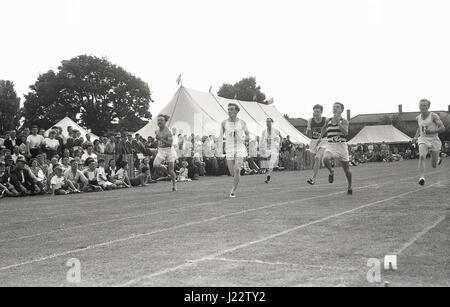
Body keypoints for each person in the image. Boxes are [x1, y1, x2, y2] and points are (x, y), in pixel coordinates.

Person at [320, 102, 353, 195]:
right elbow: (323, 129)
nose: (335, 108)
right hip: (331, 145)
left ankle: (350, 186)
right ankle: (331, 171)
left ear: (341, 110)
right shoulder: (328, 120)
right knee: (325, 159)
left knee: (346, 170)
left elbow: (345, 133)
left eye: (337, 107)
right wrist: (320, 137)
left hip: (341, 146)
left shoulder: (344, 121)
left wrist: (339, 123)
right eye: (333, 107)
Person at [218, 103, 250, 198]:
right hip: (229, 148)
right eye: (228, 109)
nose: (229, 111)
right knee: (232, 172)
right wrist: (220, 150)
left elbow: (248, 135)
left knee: (236, 169)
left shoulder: (242, 123)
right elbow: (220, 136)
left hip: (240, 147)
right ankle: (237, 175)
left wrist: (244, 138)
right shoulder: (224, 123)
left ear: (236, 111)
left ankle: (233, 190)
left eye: (232, 109)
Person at [413, 99, 445, 185]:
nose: (422, 107)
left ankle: (437, 160)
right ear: (419, 106)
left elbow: (442, 128)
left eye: (425, 105)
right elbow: (418, 128)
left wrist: (432, 131)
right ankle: (422, 177)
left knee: (434, 165)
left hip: (434, 140)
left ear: (428, 107)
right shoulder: (418, 118)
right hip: (423, 139)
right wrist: (415, 137)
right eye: (421, 105)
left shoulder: (433, 116)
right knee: (422, 156)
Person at [153, 114, 178, 191]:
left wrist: (160, 139)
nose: (159, 121)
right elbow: (158, 142)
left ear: (165, 122)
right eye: (158, 120)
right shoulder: (156, 131)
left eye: (161, 120)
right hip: (161, 150)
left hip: (169, 150)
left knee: (171, 170)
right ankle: (164, 168)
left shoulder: (168, 131)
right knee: (155, 165)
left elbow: (170, 144)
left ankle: (174, 184)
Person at [306, 104, 327, 185]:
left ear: (321, 112)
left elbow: (327, 130)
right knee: (314, 162)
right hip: (314, 142)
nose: (316, 113)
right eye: (314, 111)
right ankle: (329, 169)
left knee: (317, 157)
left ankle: (313, 179)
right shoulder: (310, 120)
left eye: (318, 111)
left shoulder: (325, 120)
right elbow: (309, 134)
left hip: (323, 141)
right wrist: (308, 130)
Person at [260, 118, 282, 183]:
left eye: (269, 122)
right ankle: (268, 170)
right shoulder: (264, 131)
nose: (267, 123)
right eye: (266, 122)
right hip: (267, 148)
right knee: (267, 161)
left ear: (272, 123)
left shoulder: (275, 130)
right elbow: (262, 140)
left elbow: (281, 137)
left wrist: (280, 144)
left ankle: (268, 175)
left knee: (271, 163)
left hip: (274, 148)